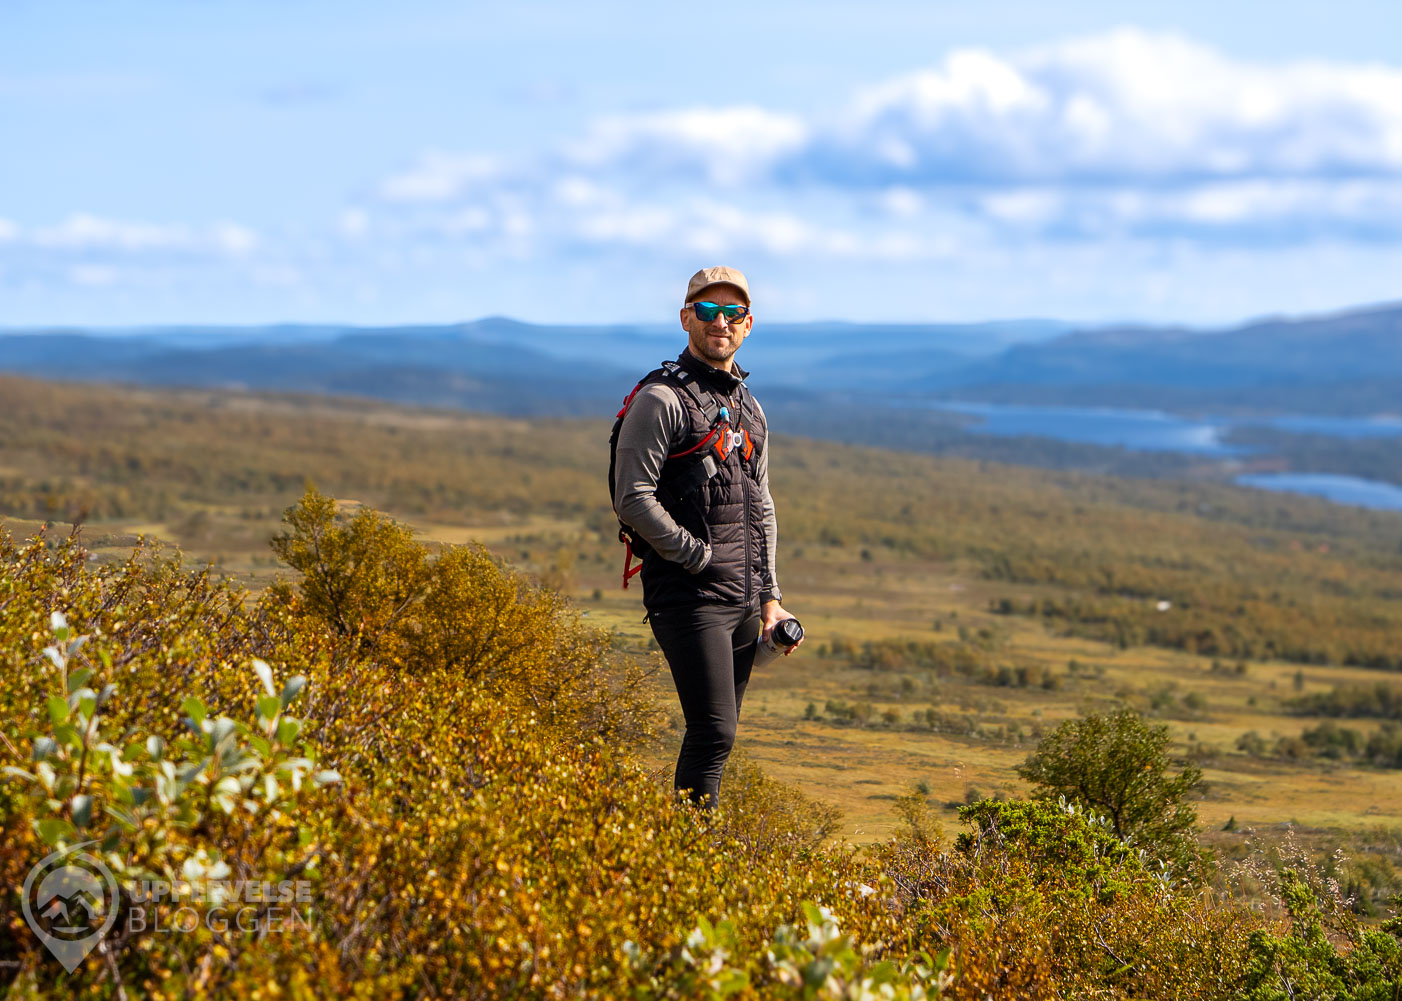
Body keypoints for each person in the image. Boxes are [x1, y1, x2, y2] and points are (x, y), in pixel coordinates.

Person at [612, 265, 801, 809]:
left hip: (742, 598)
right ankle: (693, 859)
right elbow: (633, 498)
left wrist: (770, 599)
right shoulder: (661, 400)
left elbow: (760, 503)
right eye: (708, 311)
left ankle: (693, 852)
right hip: (690, 596)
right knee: (714, 731)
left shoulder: (750, 408)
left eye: (733, 313)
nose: (721, 322)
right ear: (686, 318)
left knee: (720, 737)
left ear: (748, 326)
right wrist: (694, 555)